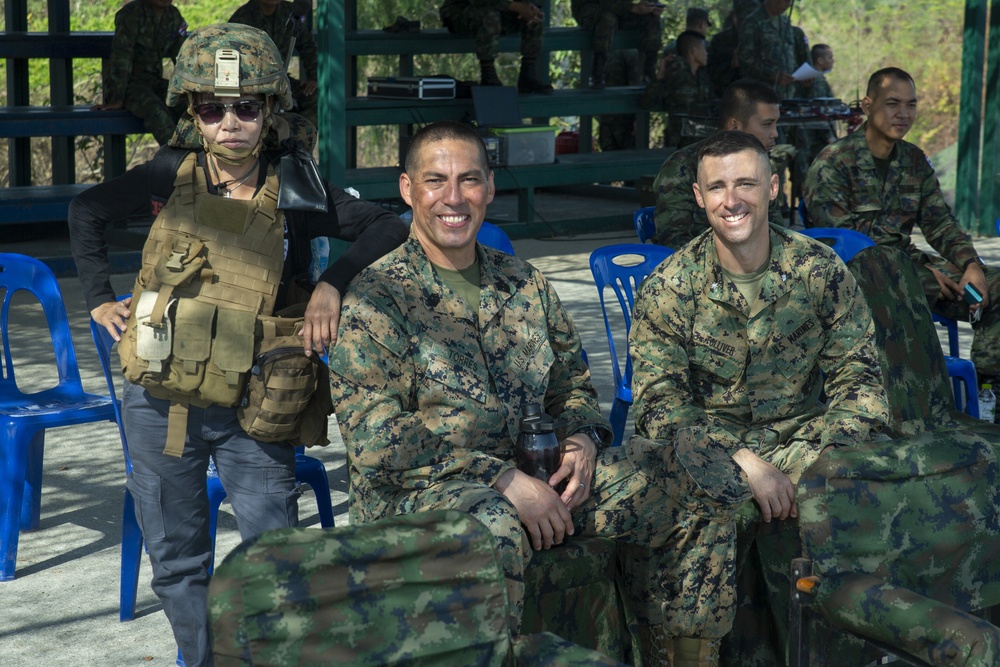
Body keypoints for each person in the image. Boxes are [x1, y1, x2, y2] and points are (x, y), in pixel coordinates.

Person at [69, 24, 408, 667]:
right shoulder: (171, 174)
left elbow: (388, 225)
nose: (230, 122)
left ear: (271, 113)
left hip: (256, 403)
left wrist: (330, 285)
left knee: (275, 554)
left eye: (247, 107)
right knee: (176, 557)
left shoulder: (298, 187)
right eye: (213, 108)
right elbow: (86, 212)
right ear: (194, 113)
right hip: (163, 399)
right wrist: (97, 297)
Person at [327, 119, 721, 666]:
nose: (453, 198)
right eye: (435, 180)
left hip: (539, 479)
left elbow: (573, 386)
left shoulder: (526, 283)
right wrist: (501, 480)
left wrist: (582, 440)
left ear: (490, 188)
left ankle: (676, 654)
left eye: (469, 180)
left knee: (684, 480)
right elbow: (378, 439)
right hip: (420, 497)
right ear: (406, 189)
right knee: (495, 526)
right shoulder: (376, 299)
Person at [630, 130, 891, 666]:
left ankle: (866, 641)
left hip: (804, 437)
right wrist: (743, 460)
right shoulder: (669, 287)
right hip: (714, 451)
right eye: (718, 187)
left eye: (746, 183)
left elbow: (859, 380)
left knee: (861, 484)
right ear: (699, 197)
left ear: (773, 187)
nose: (733, 200)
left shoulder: (818, 271)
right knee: (701, 498)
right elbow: (659, 407)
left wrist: (822, 459)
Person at [804, 66, 1000, 387]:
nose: (903, 114)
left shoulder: (913, 161)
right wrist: (916, 274)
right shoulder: (834, 163)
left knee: (993, 286)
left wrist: (970, 263)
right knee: (904, 284)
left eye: (911, 104)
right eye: (893, 103)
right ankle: (912, 398)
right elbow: (841, 247)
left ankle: (985, 388)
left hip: (911, 270)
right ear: (867, 106)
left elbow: (939, 223)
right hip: (857, 282)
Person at [650, 78, 783, 249]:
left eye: (776, 123)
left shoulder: (761, 164)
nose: (775, 133)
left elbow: (776, 231)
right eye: (767, 124)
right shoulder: (682, 167)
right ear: (734, 125)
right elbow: (674, 241)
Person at [92, 0, 188, 145]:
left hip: (154, 81)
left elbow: (182, 57)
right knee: (157, 113)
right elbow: (121, 57)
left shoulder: (174, 16)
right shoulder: (132, 14)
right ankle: (176, 160)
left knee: (190, 106)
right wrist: (116, 98)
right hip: (129, 85)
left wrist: (195, 90)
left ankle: (200, 157)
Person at [229, 0, 318, 128]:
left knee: (314, 97)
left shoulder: (291, 13)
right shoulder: (242, 18)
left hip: (282, 81)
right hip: (252, 85)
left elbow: (307, 45)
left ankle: (297, 142)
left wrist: (313, 78)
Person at [439, 0, 553, 93]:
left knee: (536, 15)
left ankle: (528, 75)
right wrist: (517, 7)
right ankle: (488, 75)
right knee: (489, 16)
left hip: (500, 12)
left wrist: (528, 8)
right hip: (460, 11)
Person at [641, 29, 714, 148]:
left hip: (702, 140)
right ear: (693, 51)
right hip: (680, 142)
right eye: (704, 49)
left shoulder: (702, 76)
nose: (707, 53)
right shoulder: (676, 73)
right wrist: (659, 77)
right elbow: (646, 102)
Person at [571, 0, 664, 89]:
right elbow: (606, 3)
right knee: (607, 19)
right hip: (589, 10)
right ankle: (597, 73)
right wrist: (633, 8)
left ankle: (649, 72)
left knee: (652, 19)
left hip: (621, 10)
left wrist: (652, 7)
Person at [736, 0, 798, 99]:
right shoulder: (753, 22)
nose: (788, 5)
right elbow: (745, 57)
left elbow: (790, 53)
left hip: (786, 93)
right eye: (785, 1)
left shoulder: (785, 22)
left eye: (790, 2)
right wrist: (771, 75)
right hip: (761, 93)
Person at [706, 11, 741, 97]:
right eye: (741, 18)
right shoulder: (720, 40)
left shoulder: (763, 38)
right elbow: (708, 70)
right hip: (726, 94)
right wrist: (731, 64)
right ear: (733, 16)